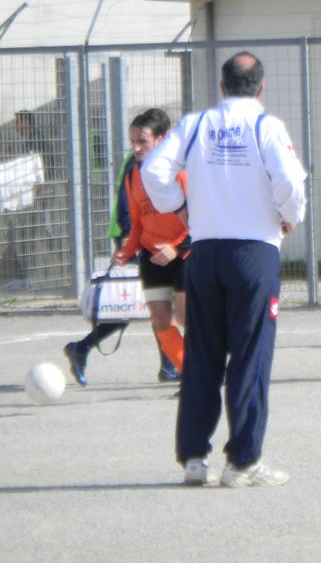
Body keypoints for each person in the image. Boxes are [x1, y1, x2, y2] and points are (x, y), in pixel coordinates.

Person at [143, 51, 307, 488]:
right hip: (253, 251)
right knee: (250, 355)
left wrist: (178, 207)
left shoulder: (196, 124)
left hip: (205, 252)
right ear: (261, 87)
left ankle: (194, 458)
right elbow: (290, 181)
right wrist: (290, 216)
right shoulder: (266, 126)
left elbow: (154, 169)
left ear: (221, 86)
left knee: (202, 354)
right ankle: (243, 462)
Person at [63, 109, 187, 386]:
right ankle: (182, 370)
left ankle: (183, 369)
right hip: (146, 249)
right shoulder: (134, 171)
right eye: (133, 141)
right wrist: (129, 247)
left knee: (181, 314)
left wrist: (177, 248)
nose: (136, 147)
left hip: (180, 253)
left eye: (142, 141)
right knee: (151, 312)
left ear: (161, 139)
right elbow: (134, 216)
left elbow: (198, 219)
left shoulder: (179, 170)